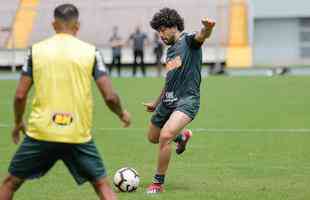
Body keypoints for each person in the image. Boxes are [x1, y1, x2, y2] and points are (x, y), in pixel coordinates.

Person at [0, 4, 131, 200]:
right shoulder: (90, 52)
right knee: (102, 185)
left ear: (53, 24)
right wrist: (122, 113)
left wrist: (19, 121)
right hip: (76, 134)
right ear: (77, 25)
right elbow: (110, 96)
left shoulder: (36, 51)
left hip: (41, 133)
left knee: (10, 183)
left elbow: (20, 95)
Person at [144, 8, 215, 194]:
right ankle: (182, 137)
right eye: (158, 31)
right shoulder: (170, 52)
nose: (160, 35)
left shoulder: (189, 41)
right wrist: (156, 102)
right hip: (167, 101)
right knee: (152, 136)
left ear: (173, 26)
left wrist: (208, 28)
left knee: (165, 136)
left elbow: (201, 36)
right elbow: (169, 80)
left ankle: (157, 183)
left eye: (162, 30)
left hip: (187, 100)